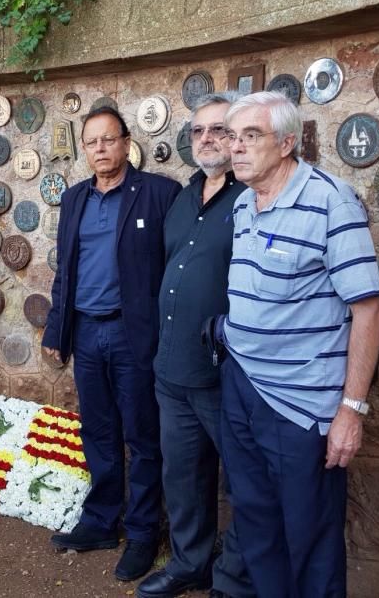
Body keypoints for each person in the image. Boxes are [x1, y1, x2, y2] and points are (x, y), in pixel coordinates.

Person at [219, 91, 379, 597]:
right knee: (257, 524)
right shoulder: (245, 201)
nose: (236, 149)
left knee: (310, 541)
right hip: (242, 385)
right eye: (233, 137)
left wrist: (351, 410)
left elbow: (369, 309)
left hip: (299, 405)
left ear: (287, 143)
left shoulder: (331, 201)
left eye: (252, 136)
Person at [42, 106, 180, 582]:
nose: (100, 149)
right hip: (86, 330)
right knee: (97, 432)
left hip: (132, 334)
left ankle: (143, 533)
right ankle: (101, 521)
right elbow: (66, 270)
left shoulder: (160, 194)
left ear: (125, 142)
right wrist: (57, 331)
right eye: (91, 142)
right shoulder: (75, 198)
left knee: (142, 436)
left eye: (108, 140)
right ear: (85, 149)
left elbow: (176, 271)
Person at [137, 92, 253, 598]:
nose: (207, 138)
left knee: (245, 483)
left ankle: (235, 579)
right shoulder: (182, 198)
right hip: (172, 370)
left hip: (226, 373)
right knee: (183, 477)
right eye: (199, 131)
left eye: (219, 130)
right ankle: (190, 563)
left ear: (239, 138)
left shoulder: (251, 197)